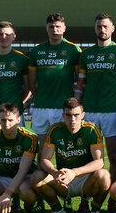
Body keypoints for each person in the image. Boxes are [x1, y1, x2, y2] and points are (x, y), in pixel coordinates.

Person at [30, 98, 110, 213]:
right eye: (68, 115)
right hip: (63, 180)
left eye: (76, 115)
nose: (72, 119)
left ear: (82, 115)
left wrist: (74, 172)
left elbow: (99, 162)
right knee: (36, 177)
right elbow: (44, 159)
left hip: (85, 179)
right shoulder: (55, 129)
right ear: (63, 115)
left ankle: (95, 212)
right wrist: (54, 172)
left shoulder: (91, 129)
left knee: (104, 175)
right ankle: (58, 211)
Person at [75, 13, 116, 188]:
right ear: (95, 29)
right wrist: (76, 109)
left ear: (112, 28)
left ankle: (113, 199)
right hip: (89, 111)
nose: (102, 29)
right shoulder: (86, 54)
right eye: (99, 26)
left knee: (114, 156)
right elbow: (80, 84)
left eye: (105, 26)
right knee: (87, 157)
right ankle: (87, 197)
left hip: (112, 111)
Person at [28, 13, 81, 142]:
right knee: (39, 148)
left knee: (65, 148)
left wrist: (75, 101)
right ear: (46, 28)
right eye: (51, 27)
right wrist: (38, 97)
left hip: (63, 107)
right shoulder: (36, 51)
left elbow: (80, 78)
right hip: (41, 107)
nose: (55, 30)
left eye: (58, 26)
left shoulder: (73, 50)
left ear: (64, 28)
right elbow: (31, 81)